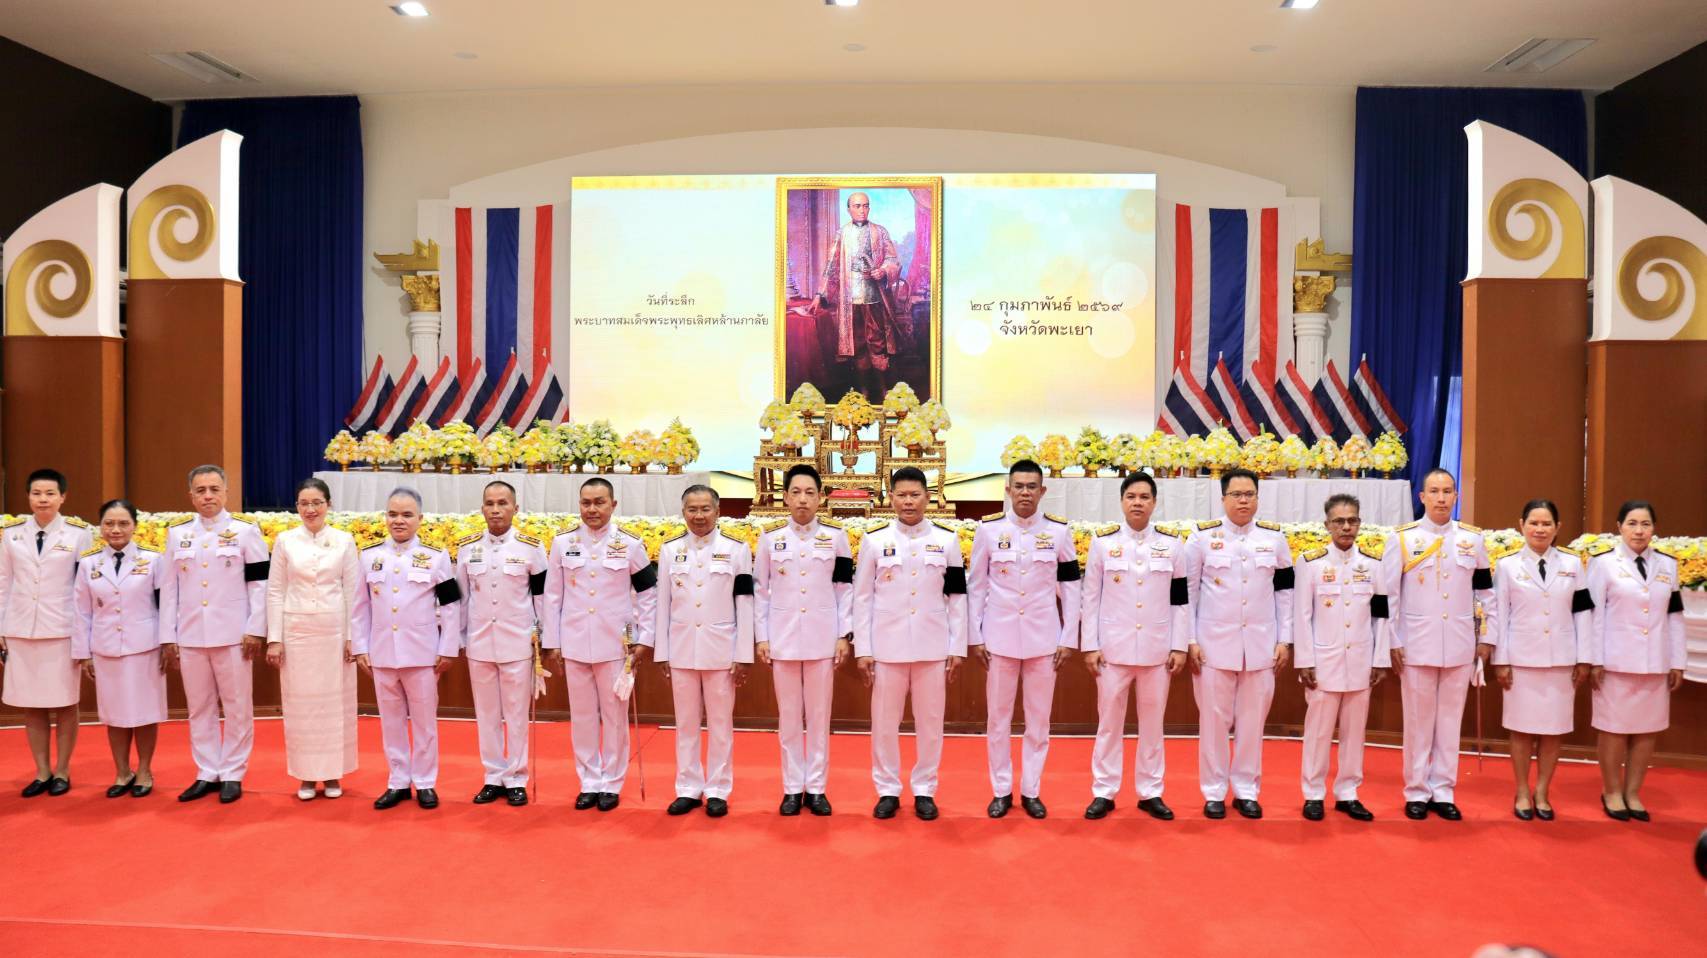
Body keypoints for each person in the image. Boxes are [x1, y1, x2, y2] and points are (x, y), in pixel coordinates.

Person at [853, 466, 968, 821]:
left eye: (915, 495)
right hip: (887, 647)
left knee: (930, 723)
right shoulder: (874, 540)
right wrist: (863, 648)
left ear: (928, 497)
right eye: (901, 495)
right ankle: (887, 789)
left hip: (932, 646)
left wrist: (957, 646)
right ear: (890, 498)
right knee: (884, 723)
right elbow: (862, 597)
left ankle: (925, 789)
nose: (908, 501)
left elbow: (958, 597)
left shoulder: (947, 540)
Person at [968, 459, 1080, 819]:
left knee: (1038, 721)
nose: (1025, 493)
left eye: (1032, 487)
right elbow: (977, 586)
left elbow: (1071, 588)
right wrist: (975, 635)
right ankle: (1001, 789)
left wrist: (1068, 637)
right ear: (1008, 490)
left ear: (1042, 491)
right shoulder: (988, 531)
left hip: (1043, 639)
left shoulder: (1059, 532)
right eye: (1019, 486)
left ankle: (1031, 790)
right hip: (998, 639)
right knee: (998, 719)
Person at [1182, 467, 1294, 820]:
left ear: (1258, 498)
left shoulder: (1274, 538)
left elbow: (1285, 593)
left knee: (1252, 722)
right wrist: (1189, 639)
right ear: (1223, 499)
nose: (1243, 501)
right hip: (1213, 646)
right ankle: (1214, 791)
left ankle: (1246, 789)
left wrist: (1285, 639)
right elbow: (1187, 593)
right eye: (1236, 495)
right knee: (1213, 722)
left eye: (1249, 495)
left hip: (1261, 646)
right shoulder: (1201, 538)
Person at [1381, 467, 1492, 821]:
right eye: (1434, 491)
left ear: (1456, 496)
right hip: (1416, 644)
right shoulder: (1402, 539)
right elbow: (1388, 595)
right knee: (1418, 722)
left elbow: (1486, 593)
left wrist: (1487, 638)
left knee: (1449, 721)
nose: (1441, 498)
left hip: (1459, 644)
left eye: (1447, 491)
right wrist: (1392, 640)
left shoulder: (1473, 540)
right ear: (1422, 497)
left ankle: (1443, 790)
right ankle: (1416, 790)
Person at [638, 484, 754, 817]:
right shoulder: (670, 549)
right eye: (692, 509)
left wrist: (743, 654)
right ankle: (688, 787)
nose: (699, 516)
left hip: (721, 650)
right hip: (682, 649)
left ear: (718, 511)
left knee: (720, 724)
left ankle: (718, 789)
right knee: (685, 724)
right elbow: (663, 603)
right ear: (683, 512)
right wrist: (663, 652)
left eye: (705, 509)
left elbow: (745, 603)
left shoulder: (736, 549)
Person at [543, 477, 658, 812]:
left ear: (613, 505)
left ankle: (611, 783)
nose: (592, 509)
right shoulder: (562, 543)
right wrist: (553, 642)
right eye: (586, 503)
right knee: (582, 717)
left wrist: (644, 637)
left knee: (615, 716)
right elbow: (552, 596)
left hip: (615, 644)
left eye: (599, 502)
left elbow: (648, 594)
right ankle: (589, 781)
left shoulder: (630, 544)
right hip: (575, 641)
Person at [1080, 471, 1189, 821]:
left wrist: (1179, 645)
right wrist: (1090, 645)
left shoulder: (1172, 544)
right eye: (1131, 497)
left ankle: (1150, 791)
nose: (1137, 503)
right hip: (1113, 650)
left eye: (1144, 497)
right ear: (1122, 502)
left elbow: (1180, 600)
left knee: (1153, 724)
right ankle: (1104, 790)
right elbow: (1090, 598)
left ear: (1154, 503)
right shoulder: (1102, 543)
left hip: (1157, 649)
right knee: (1109, 723)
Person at [158, 464, 269, 804]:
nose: (208, 496)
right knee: (199, 707)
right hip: (191, 633)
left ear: (226, 492)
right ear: (191, 495)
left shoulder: (245, 531)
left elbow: (260, 585)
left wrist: (255, 629)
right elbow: (169, 589)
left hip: (234, 634)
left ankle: (232, 772)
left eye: (214, 489)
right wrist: (168, 636)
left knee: (237, 706)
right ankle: (207, 771)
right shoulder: (177, 534)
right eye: (201, 490)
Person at [352, 488, 461, 810]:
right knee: (391, 721)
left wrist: (448, 647)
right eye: (393, 514)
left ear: (420, 519)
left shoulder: (437, 556)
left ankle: (425, 782)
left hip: (422, 653)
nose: (398, 520)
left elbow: (451, 605)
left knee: (425, 722)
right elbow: (359, 606)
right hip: (382, 652)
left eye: (407, 515)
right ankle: (398, 781)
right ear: (385, 516)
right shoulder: (369, 556)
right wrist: (360, 646)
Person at [753, 464, 853, 816]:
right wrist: (762, 636)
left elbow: (844, 589)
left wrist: (843, 634)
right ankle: (792, 788)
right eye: (795, 492)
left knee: (820, 716)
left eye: (810, 492)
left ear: (821, 497)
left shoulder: (837, 537)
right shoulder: (770, 538)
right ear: (784, 497)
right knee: (789, 717)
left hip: (822, 638)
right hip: (782, 639)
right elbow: (760, 591)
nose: (802, 499)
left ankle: (817, 788)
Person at [1486, 499, 1592, 821]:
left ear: (1558, 528)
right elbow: (1499, 615)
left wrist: (1584, 658)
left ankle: (1542, 791)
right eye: (1534, 523)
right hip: (1521, 660)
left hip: (1561, 660)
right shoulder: (1506, 566)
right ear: (1521, 525)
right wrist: (1500, 660)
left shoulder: (1573, 564)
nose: (1540, 529)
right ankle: (1522, 790)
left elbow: (1583, 614)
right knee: (1521, 730)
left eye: (1547, 524)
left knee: (1553, 731)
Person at [1587, 500, 1686, 822]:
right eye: (1632, 523)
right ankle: (1612, 791)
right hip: (1614, 662)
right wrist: (1594, 660)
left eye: (1646, 524)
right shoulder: (1603, 564)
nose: (1639, 531)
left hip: (1655, 661)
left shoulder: (1667, 565)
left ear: (1654, 528)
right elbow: (1594, 615)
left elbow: (1674, 616)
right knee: (1613, 729)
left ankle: (1633, 792)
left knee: (1647, 730)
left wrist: (1677, 661)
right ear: (1619, 527)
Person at [1293, 493, 1389, 823]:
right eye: (1339, 521)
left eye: (1352, 521)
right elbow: (1301, 615)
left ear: (1359, 523)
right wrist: (1305, 661)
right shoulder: (1311, 563)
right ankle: (1313, 793)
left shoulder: (1373, 564)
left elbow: (1381, 616)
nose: (1346, 527)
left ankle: (1348, 792)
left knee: (1354, 732)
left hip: (1361, 661)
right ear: (1327, 525)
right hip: (1324, 662)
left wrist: (1380, 659)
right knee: (1318, 732)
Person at [1, 468, 95, 796]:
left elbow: (85, 588)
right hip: (21, 629)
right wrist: (1, 628)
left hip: (62, 629)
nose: (43, 499)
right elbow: (4, 582)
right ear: (28, 497)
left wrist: (85, 633)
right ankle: (42, 771)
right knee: (32, 705)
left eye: (50, 493)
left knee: (66, 703)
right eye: (36, 493)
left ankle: (63, 770)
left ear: (62, 497)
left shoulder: (79, 534)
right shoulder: (11, 534)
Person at [266, 477, 361, 800]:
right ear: (296, 507)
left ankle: (333, 774)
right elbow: (276, 591)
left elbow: (352, 592)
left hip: (334, 633)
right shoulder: (285, 541)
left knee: (334, 705)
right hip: (297, 633)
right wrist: (275, 638)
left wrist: (352, 637)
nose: (310, 509)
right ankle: (306, 776)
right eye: (304, 503)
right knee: (301, 706)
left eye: (317, 503)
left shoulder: (344, 541)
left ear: (328, 505)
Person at [455, 480, 548, 807]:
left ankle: (517, 777)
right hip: (479, 642)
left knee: (516, 714)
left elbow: (542, 598)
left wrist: (543, 638)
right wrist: (458, 639)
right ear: (482, 508)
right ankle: (493, 776)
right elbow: (461, 599)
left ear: (515, 508)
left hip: (518, 642)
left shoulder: (531, 547)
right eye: (490, 504)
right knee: (487, 714)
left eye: (503, 503)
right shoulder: (467, 548)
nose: (496, 510)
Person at [72, 499, 168, 798]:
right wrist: (83, 654)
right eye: (109, 523)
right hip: (106, 647)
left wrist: (167, 643)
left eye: (123, 523)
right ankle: (122, 771)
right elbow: (81, 611)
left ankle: (145, 770)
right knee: (114, 715)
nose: (116, 529)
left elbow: (166, 605)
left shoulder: (153, 560)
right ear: (100, 527)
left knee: (145, 713)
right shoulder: (88, 563)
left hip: (145, 647)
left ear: (135, 526)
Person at [814, 191, 903, 399]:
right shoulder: (842, 234)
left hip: (874, 297)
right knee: (858, 344)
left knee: (877, 344)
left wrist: (883, 271)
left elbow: (893, 260)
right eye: (857, 206)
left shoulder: (880, 232)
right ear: (849, 209)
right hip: (850, 299)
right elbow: (831, 266)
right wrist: (819, 294)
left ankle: (883, 390)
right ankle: (864, 391)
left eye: (865, 205)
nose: (862, 210)